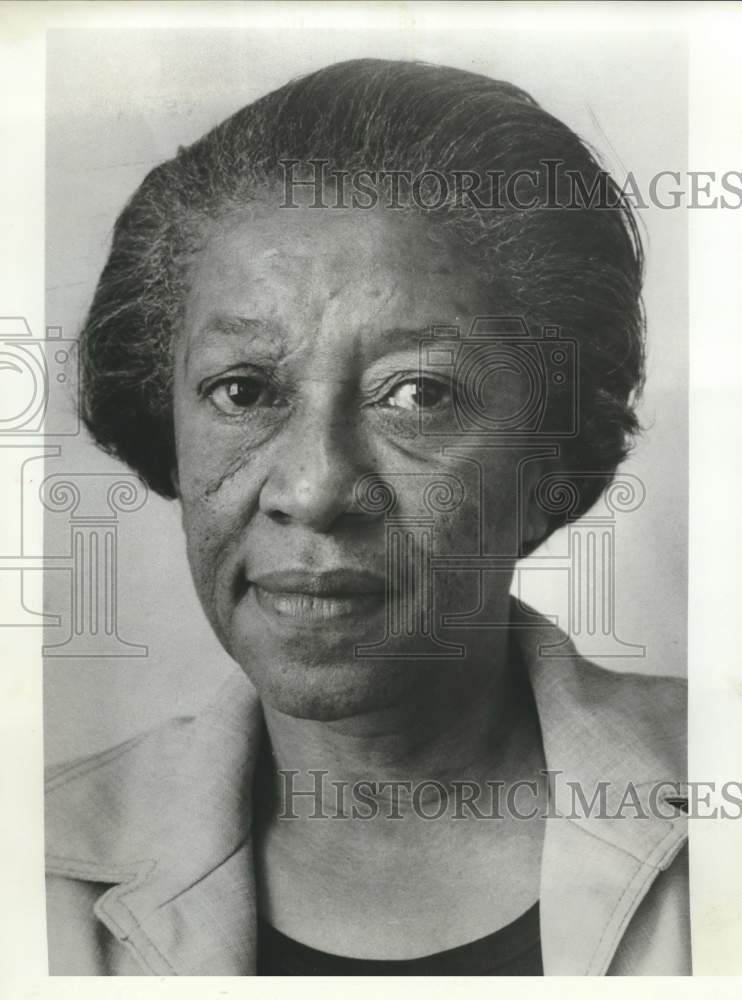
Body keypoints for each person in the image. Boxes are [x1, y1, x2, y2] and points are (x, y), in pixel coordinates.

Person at [44, 58, 689, 976]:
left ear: (550, 443)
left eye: (419, 393)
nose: (311, 490)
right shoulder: (32, 873)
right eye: (242, 389)